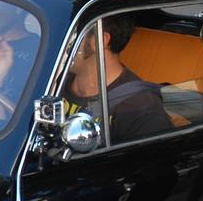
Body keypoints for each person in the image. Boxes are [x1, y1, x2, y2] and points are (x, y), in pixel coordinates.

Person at [61, 16, 171, 144]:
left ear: (100, 40)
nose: (60, 44)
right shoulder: (53, 82)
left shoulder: (141, 110)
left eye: (71, 36)